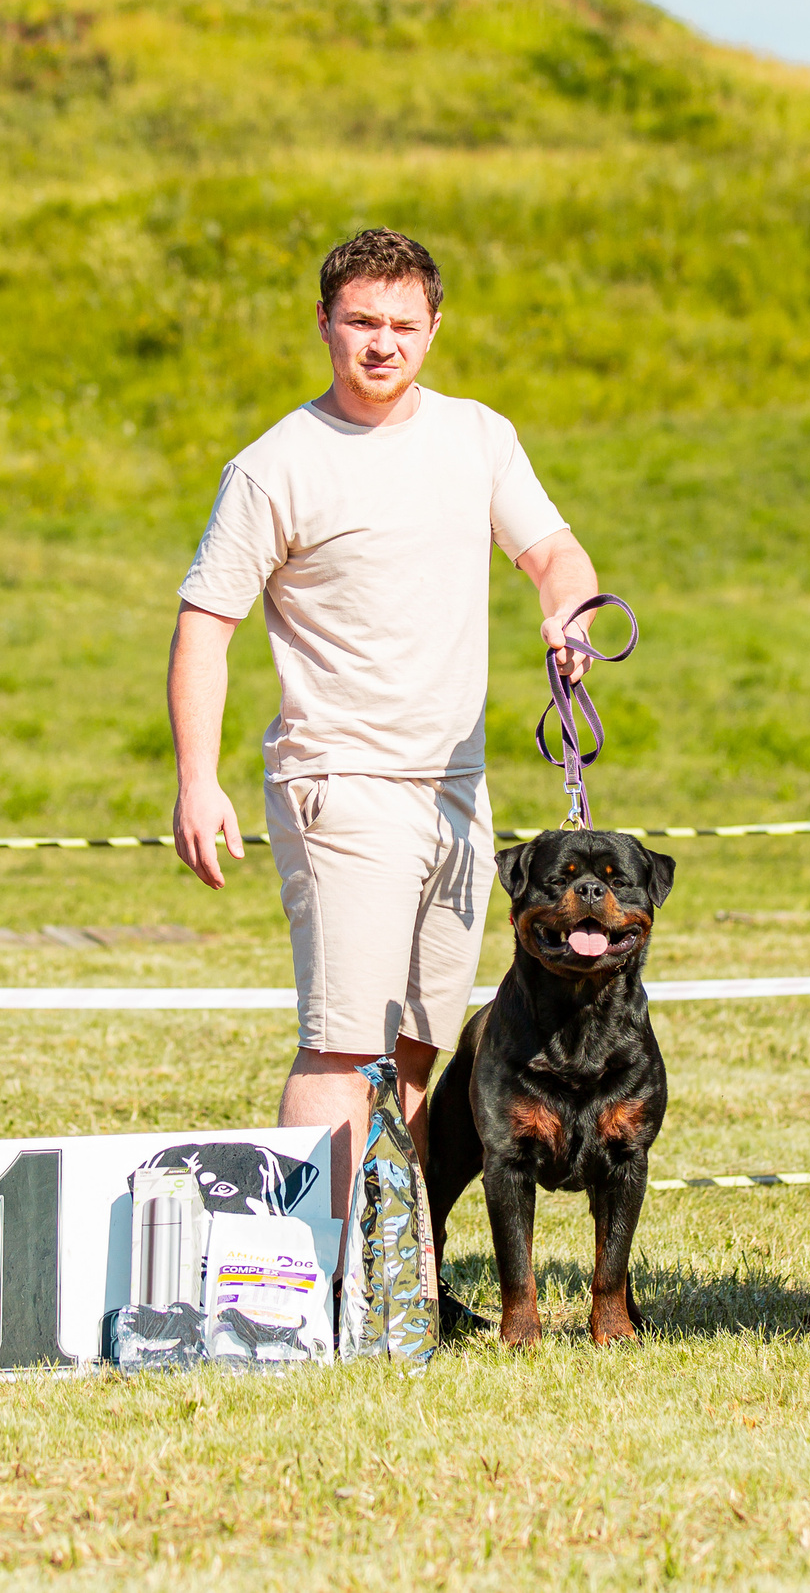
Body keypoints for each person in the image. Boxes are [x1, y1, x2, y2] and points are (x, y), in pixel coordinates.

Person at [168, 228, 601, 1205]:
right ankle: (302, 1283)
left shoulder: (477, 435)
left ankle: (385, 1269)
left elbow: (554, 553)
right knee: (340, 1042)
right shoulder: (272, 467)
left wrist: (566, 612)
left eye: (403, 325)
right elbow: (204, 627)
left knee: (413, 1046)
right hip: (340, 784)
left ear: (434, 329)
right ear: (324, 322)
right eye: (361, 321)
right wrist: (199, 780)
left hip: (456, 787)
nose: (382, 344)